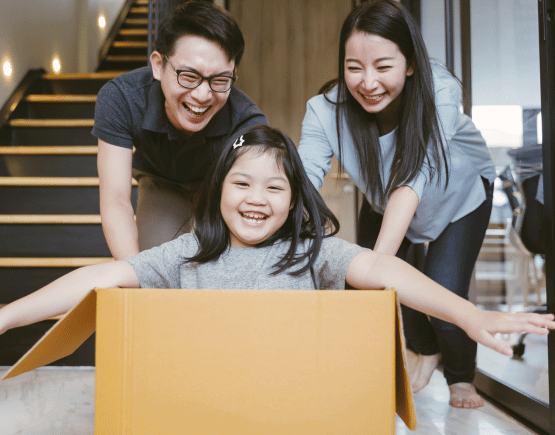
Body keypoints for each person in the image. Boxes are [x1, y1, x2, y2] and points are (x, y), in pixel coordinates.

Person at [1, 126, 553, 382]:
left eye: (275, 188)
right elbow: (97, 279)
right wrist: (7, 316)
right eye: (242, 184)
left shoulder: (313, 254)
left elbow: (384, 268)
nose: (257, 200)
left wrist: (468, 313)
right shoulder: (186, 253)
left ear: (293, 202)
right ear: (219, 190)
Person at [297, 0, 497, 408]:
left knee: (440, 291)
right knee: (375, 285)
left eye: (383, 67)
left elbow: (413, 178)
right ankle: (424, 347)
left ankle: (461, 377)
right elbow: (299, 185)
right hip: (384, 199)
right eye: (354, 67)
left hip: (458, 195)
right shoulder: (323, 111)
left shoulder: (440, 89)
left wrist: (376, 268)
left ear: (409, 63)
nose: (367, 82)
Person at [92, 0, 267, 261]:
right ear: (158, 65)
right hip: (161, 181)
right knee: (152, 264)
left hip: (218, 190)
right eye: (189, 76)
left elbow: (250, 202)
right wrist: (134, 277)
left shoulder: (247, 122)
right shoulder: (122, 98)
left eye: (220, 79)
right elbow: (116, 199)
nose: (203, 95)